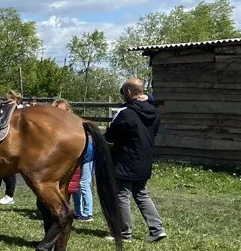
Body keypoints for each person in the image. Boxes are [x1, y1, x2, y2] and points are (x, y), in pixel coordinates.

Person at [107, 78, 166, 242]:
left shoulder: (126, 113)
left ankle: (125, 233)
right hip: (145, 159)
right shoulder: (154, 113)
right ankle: (157, 229)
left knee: (121, 195)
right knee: (141, 194)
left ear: (127, 92)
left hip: (124, 160)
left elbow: (111, 135)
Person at [52, 99, 93, 221]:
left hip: (87, 155)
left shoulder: (74, 122)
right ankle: (77, 211)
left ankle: (87, 212)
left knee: (84, 183)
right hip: (74, 156)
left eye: (61, 110)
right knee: (73, 184)